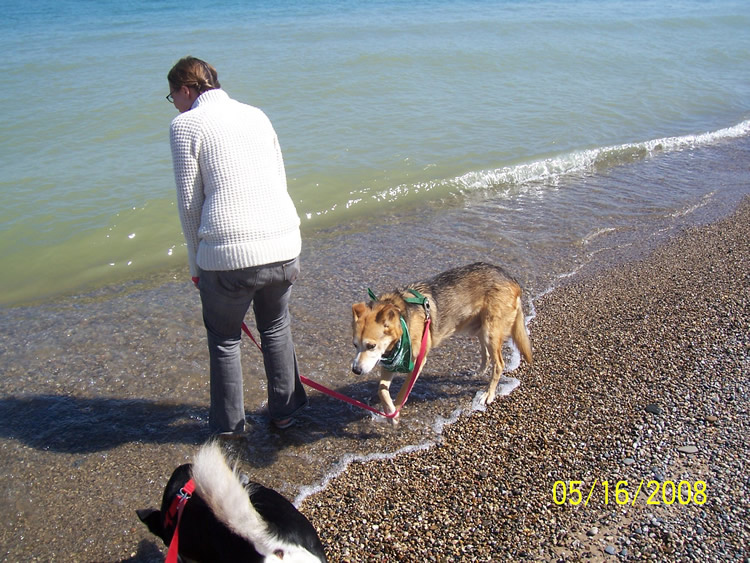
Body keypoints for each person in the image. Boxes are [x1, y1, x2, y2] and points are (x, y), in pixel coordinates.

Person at [166, 56, 307, 434]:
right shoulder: (256, 115)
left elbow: (189, 205)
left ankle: (230, 429)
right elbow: (279, 178)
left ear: (185, 89)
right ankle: (285, 413)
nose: (174, 104)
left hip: (229, 254)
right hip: (283, 243)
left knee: (225, 340)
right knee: (276, 327)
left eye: (172, 96)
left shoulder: (185, 125)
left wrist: (196, 266)